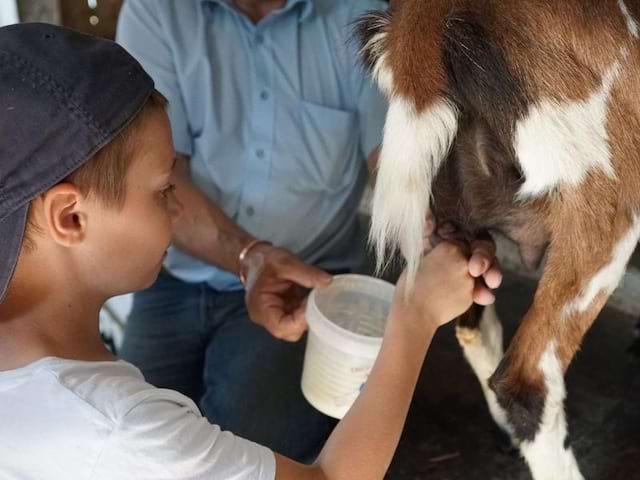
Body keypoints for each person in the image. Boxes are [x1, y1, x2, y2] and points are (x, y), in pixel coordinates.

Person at [0, 23, 501, 480]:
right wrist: (413, 315)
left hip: (289, 280)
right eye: (163, 190)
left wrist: (432, 218)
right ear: (70, 217)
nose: (177, 208)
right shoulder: (122, 429)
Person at [114, 0, 391, 461]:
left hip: (303, 287)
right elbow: (156, 184)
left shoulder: (360, 13)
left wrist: (427, 219)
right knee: (128, 441)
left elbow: (394, 160)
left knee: (246, 455)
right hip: (172, 278)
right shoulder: (157, 12)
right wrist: (251, 257)